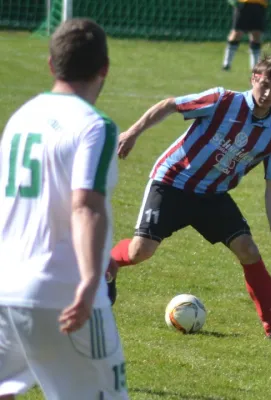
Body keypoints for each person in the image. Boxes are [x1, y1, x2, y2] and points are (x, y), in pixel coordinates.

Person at [110, 55, 271, 341]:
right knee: (140, 252)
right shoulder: (222, 100)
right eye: (264, 85)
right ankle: (107, 264)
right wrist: (133, 132)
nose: (268, 93)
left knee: (248, 249)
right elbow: (171, 104)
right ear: (253, 79)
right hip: (173, 182)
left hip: (213, 196)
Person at [0, 19, 128, 399]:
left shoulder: (20, 118)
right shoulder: (94, 126)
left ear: (51, 65)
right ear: (104, 68)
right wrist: (90, 280)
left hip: (7, 290)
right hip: (62, 293)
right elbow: (85, 205)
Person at [222, 0, 268, 71]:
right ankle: (226, 64)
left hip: (260, 4)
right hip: (243, 3)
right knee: (236, 33)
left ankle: (255, 67)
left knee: (256, 34)